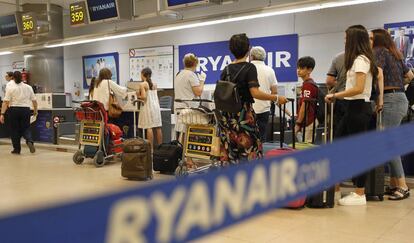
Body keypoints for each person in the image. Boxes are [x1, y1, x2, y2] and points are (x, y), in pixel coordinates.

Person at [326, 25, 378, 206]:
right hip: (352, 108)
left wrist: (335, 94)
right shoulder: (357, 59)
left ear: (355, 40)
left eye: (347, 38)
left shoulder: (361, 60)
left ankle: (360, 193)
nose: (345, 41)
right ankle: (336, 187)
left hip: (359, 108)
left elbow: (358, 88)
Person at [218, 33, 288, 165]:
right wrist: (276, 98)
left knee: (231, 148)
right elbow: (255, 92)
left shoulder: (226, 69)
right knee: (250, 148)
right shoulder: (249, 67)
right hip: (243, 115)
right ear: (248, 49)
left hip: (227, 116)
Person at [372, 28, 414, 200]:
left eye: (371, 38)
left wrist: (380, 99)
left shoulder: (379, 51)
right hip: (400, 98)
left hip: (389, 99)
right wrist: (397, 83)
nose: (369, 41)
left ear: (378, 40)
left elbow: (379, 74)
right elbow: (410, 76)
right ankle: (394, 184)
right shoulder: (395, 54)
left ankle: (402, 186)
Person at [0, 71, 38, 154]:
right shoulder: (28, 87)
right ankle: (29, 141)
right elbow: (34, 101)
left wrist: (2, 114)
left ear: (13, 78)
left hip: (14, 110)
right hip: (26, 110)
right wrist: (35, 111)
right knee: (26, 127)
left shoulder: (10, 88)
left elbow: (6, 102)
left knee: (15, 130)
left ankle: (17, 149)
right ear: (22, 78)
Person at [174, 53, 206, 142]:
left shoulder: (179, 74)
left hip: (179, 107)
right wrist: (202, 81)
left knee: (184, 131)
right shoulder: (191, 75)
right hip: (188, 108)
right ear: (195, 64)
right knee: (190, 129)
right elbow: (198, 92)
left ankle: (183, 152)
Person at [250, 46, 278, 142]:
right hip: (264, 109)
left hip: (248, 110)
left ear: (252, 56)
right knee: (261, 138)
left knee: (248, 138)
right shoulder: (270, 70)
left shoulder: (247, 69)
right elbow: (274, 91)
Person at [295, 56, 318, 143]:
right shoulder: (306, 84)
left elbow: (305, 105)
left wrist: (298, 123)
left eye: (302, 68)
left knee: (307, 148)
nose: (298, 70)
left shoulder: (308, 85)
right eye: (298, 68)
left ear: (309, 70)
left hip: (309, 122)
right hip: (306, 122)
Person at [137, 68, 163, 147]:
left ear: (143, 74)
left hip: (148, 107)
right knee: (158, 127)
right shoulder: (154, 84)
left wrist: (138, 95)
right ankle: (160, 147)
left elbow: (144, 97)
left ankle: (150, 149)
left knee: (149, 127)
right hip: (156, 106)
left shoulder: (143, 84)